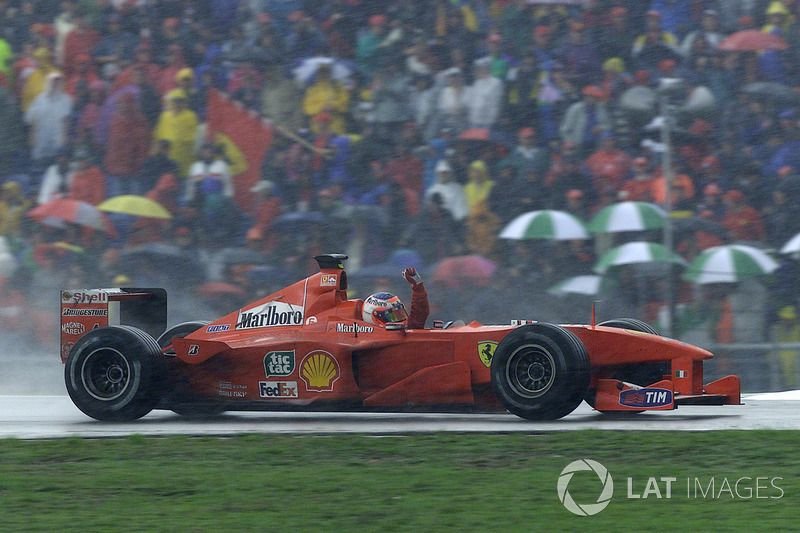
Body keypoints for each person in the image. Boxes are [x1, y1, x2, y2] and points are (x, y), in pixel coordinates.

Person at [362, 267, 429, 329]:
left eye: (399, 314)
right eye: (392, 317)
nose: (400, 321)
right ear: (375, 317)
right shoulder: (360, 337)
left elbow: (419, 314)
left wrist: (418, 288)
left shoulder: (404, 330)